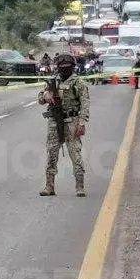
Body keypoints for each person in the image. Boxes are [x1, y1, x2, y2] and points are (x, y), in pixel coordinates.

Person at [37, 53, 90, 197]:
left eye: (67, 67)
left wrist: (82, 122)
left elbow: (85, 103)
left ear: (73, 67)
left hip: (72, 121)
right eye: (62, 67)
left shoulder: (78, 83)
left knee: (75, 153)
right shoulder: (52, 81)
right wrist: (46, 96)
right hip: (55, 121)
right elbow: (40, 98)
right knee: (51, 153)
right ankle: (49, 186)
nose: (64, 69)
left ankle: (80, 186)